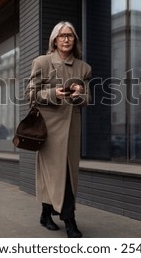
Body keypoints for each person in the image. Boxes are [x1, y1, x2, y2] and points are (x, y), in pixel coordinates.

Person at [25, 21, 92, 238]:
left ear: (75, 40)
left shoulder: (83, 68)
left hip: (71, 127)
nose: (66, 39)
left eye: (70, 36)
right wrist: (54, 93)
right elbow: (30, 94)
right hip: (48, 127)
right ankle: (68, 220)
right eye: (62, 36)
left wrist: (78, 93)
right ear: (54, 40)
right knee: (52, 173)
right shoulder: (42, 62)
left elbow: (86, 99)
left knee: (68, 173)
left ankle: (48, 214)